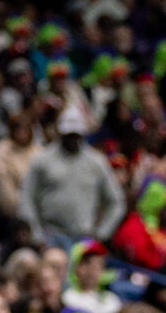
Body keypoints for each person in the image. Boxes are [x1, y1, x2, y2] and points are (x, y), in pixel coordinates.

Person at [19, 106, 124, 248]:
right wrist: (36, 234)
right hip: (51, 234)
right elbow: (26, 197)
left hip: (83, 236)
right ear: (60, 133)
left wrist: (102, 234)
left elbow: (116, 202)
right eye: (68, 135)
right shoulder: (42, 160)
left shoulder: (96, 162)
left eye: (76, 135)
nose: (72, 139)